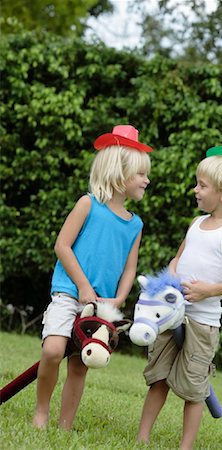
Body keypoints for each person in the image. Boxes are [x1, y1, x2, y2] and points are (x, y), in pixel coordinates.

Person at [137, 140, 222, 450]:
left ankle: (186, 446)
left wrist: (210, 290)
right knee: (159, 378)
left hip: (203, 324)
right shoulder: (197, 224)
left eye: (201, 185)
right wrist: (170, 281)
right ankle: (141, 438)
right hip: (172, 316)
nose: (195, 189)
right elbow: (177, 260)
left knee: (195, 388)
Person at [32, 124, 153, 430]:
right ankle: (41, 412)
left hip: (100, 307)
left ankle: (65, 425)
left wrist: (119, 299)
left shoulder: (134, 224)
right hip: (68, 293)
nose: (146, 180)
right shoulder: (88, 205)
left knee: (79, 364)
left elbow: (129, 269)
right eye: (141, 174)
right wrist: (83, 285)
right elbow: (62, 245)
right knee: (53, 350)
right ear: (119, 172)